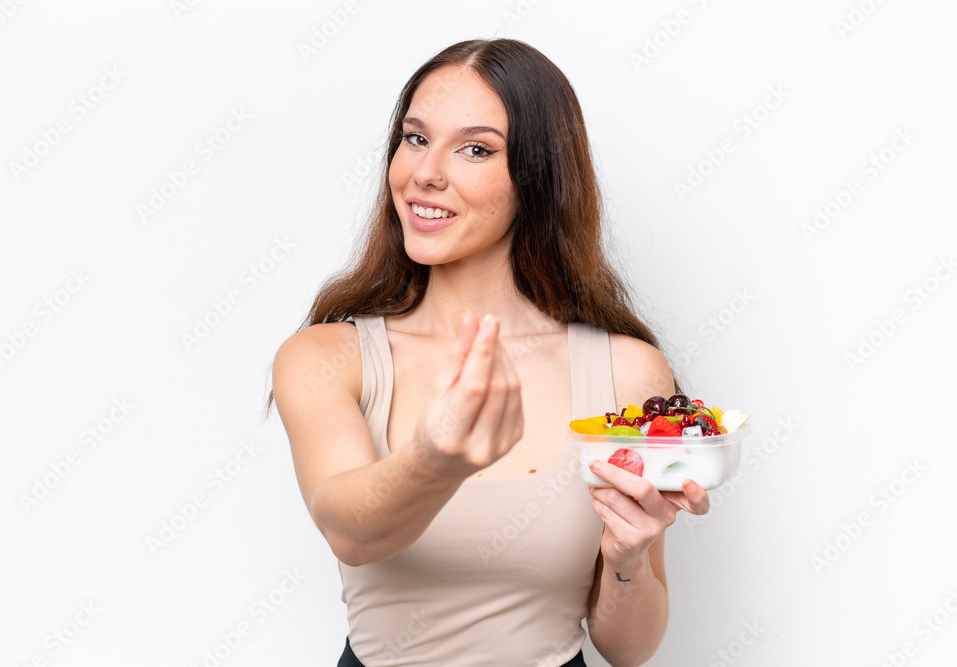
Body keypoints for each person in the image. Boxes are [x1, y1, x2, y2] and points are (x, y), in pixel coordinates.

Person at [268, 38, 710, 667]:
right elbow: (352, 532)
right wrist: (439, 458)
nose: (426, 172)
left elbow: (629, 649)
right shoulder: (326, 358)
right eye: (416, 138)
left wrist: (627, 555)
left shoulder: (626, 371)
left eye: (475, 149)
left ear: (537, 175)